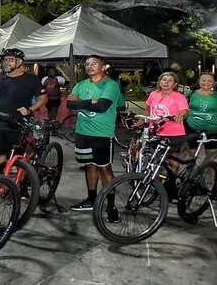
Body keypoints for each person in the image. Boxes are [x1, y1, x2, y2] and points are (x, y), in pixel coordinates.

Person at [66, 55, 123, 223]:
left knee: (105, 169)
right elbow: (69, 104)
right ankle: (91, 199)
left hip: (102, 134)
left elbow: (102, 106)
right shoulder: (80, 84)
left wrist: (82, 102)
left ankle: (111, 206)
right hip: (82, 133)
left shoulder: (111, 85)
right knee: (89, 166)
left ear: (103, 66)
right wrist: (91, 100)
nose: (90, 66)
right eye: (87, 64)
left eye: (94, 63)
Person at [0, 48, 47, 168]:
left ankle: (19, 184)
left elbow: (43, 98)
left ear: (20, 61)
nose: (7, 62)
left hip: (19, 123)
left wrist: (29, 109)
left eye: (11, 60)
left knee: (20, 157)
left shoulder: (31, 79)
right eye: (5, 60)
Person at [135, 71, 188, 167]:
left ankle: (171, 180)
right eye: (164, 80)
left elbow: (184, 111)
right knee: (153, 158)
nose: (166, 82)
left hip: (173, 133)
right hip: (155, 131)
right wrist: (140, 122)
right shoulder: (154, 94)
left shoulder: (179, 97)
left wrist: (181, 115)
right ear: (160, 82)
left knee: (173, 159)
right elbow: (148, 110)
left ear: (175, 84)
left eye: (170, 81)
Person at [185, 73, 217, 156]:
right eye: (204, 80)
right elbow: (182, 108)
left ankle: (211, 168)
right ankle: (190, 169)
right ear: (199, 81)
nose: (206, 83)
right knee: (191, 153)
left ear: (214, 83)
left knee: (211, 155)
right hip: (192, 128)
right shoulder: (191, 94)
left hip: (212, 130)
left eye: (209, 81)